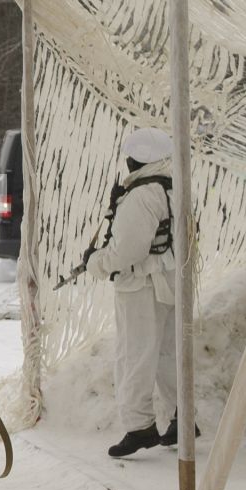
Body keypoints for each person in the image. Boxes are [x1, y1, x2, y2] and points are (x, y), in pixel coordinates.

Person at [84, 126, 180, 458]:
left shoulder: (141, 195)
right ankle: (184, 417)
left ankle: (140, 427)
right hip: (167, 282)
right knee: (169, 354)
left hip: (141, 286)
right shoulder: (170, 187)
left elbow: (128, 251)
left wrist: (95, 262)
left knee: (134, 356)